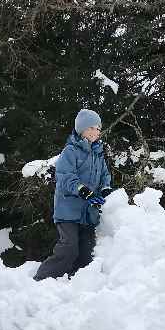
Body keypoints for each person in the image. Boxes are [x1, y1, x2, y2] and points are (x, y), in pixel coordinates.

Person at [34, 109, 113, 281]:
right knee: (69, 247)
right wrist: (82, 190)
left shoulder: (98, 154)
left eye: (98, 129)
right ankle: (41, 278)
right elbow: (64, 176)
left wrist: (105, 188)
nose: (95, 132)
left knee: (87, 251)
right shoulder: (70, 151)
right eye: (91, 128)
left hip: (88, 212)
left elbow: (105, 175)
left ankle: (76, 281)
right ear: (81, 129)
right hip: (68, 211)